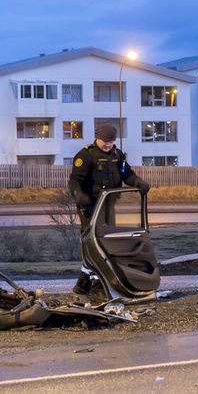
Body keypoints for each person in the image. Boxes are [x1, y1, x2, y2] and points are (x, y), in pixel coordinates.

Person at [68, 124, 150, 297]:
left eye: (111, 142)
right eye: (105, 142)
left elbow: (127, 174)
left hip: (108, 205)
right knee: (93, 244)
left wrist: (138, 182)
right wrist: (79, 196)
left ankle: (83, 284)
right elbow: (74, 181)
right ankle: (98, 283)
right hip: (90, 207)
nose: (108, 145)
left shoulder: (117, 155)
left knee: (106, 242)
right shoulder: (86, 155)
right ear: (97, 138)